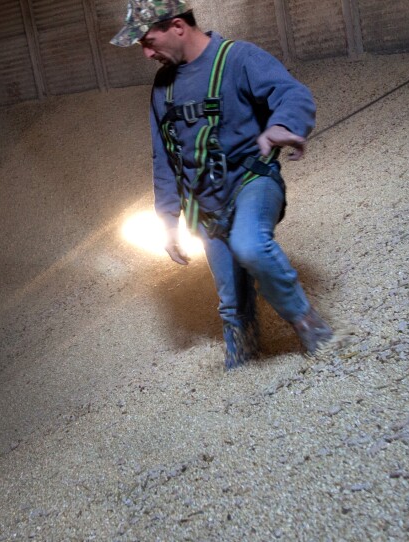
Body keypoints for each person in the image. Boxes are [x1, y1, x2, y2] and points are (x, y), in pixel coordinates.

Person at [111, 0, 335, 369]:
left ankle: (311, 328)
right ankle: (244, 361)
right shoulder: (162, 87)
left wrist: (284, 125)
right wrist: (167, 219)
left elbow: (292, 94)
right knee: (231, 302)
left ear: (178, 26)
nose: (148, 53)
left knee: (251, 246)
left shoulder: (239, 58)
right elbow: (163, 156)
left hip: (252, 182)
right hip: (205, 205)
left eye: (149, 41)